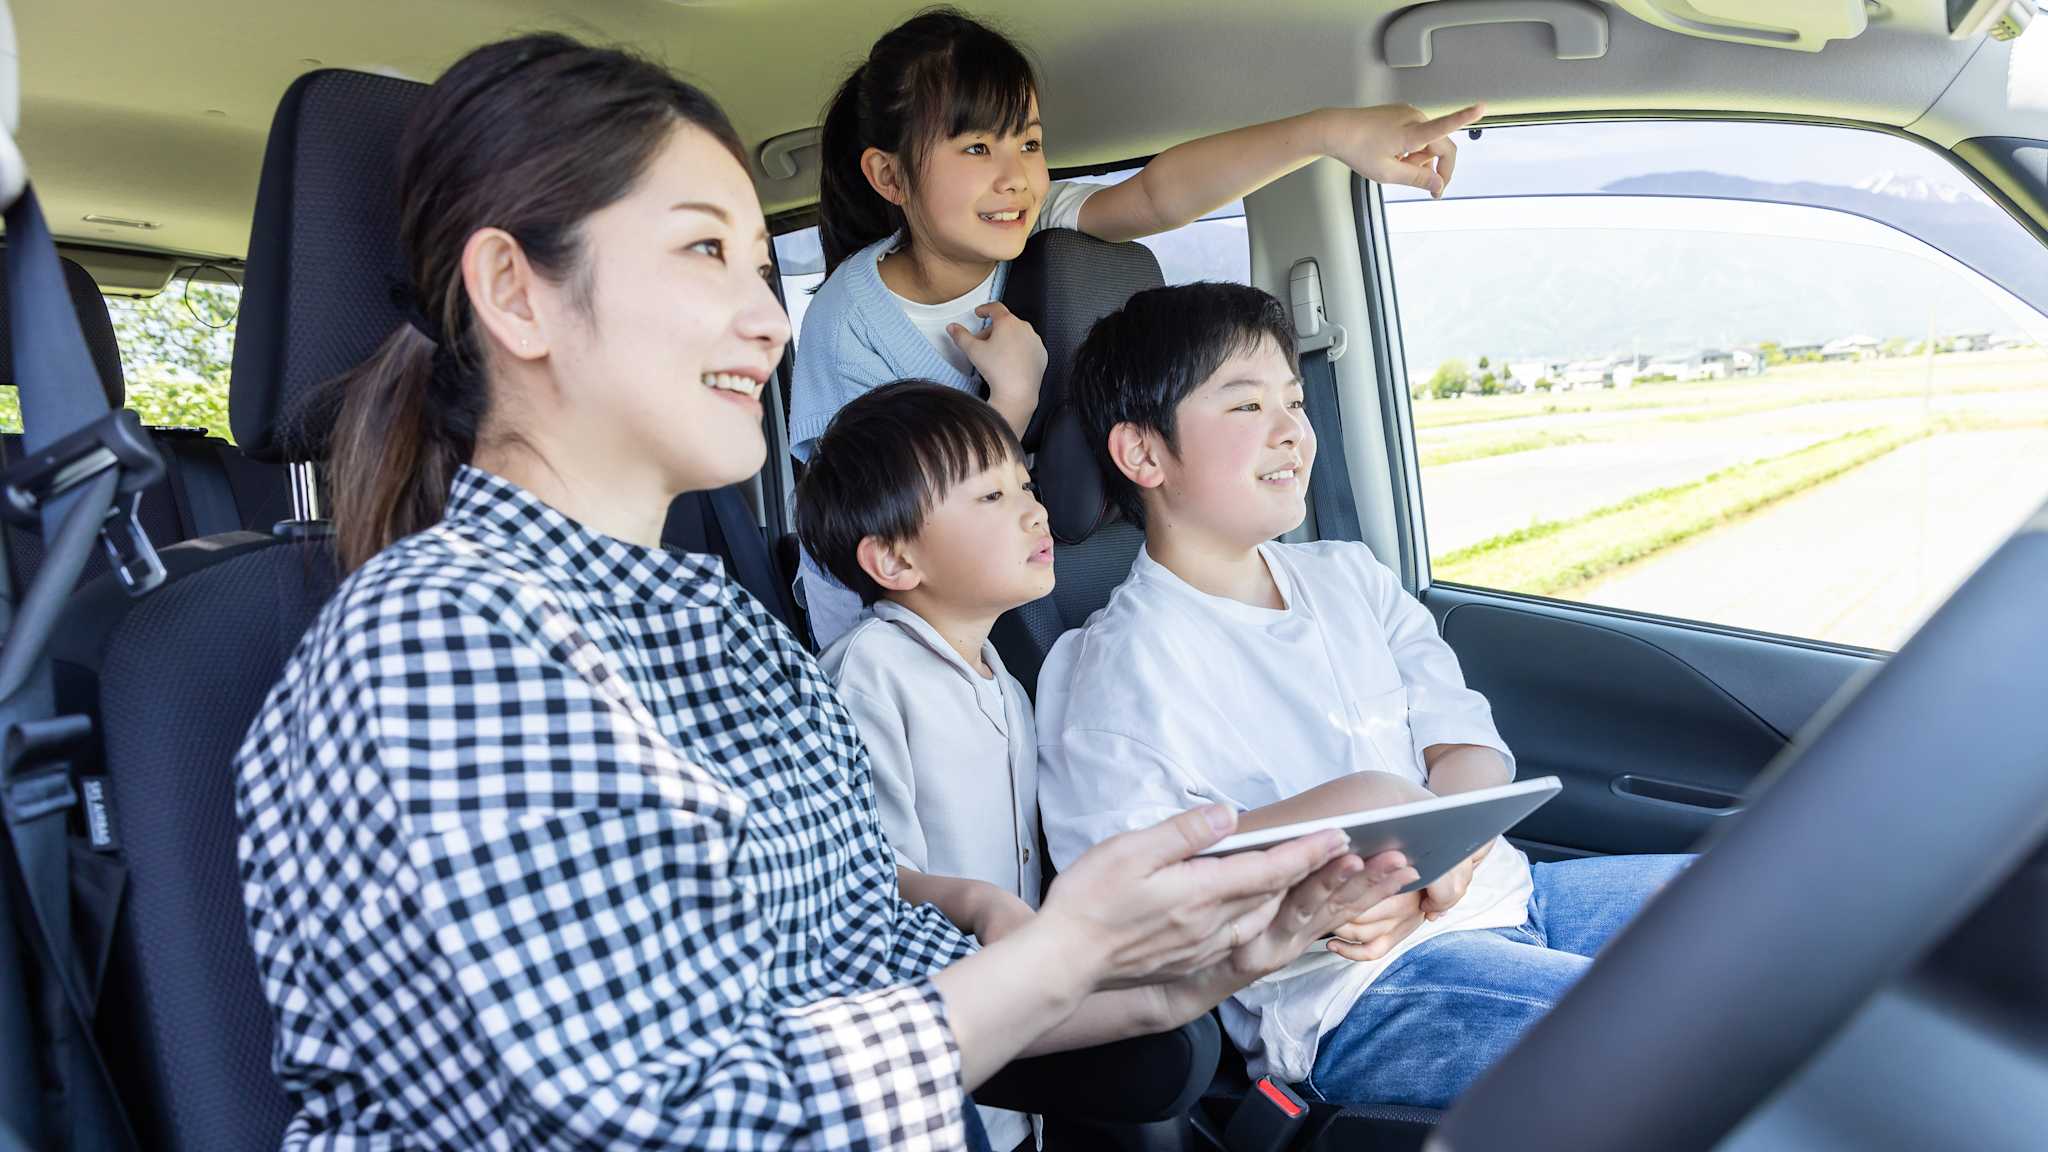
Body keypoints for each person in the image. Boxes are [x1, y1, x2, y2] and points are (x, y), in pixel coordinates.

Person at [235, 36, 1417, 1151]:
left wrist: (1196, 968)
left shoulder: (723, 630)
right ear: (516, 290)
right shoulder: (441, 636)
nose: (766, 319)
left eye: (763, 265)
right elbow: (661, 1120)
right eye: (706, 252)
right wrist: (1062, 955)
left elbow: (879, 966)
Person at [1037, 282, 1688, 1110]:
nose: (1292, 433)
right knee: (1691, 1038)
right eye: (1246, 406)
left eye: (1295, 401)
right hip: (1359, 988)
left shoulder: (1349, 575)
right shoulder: (1114, 669)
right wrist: (1395, 889)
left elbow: (1468, 746)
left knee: (1778, 912)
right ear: (1143, 455)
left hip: (1508, 893)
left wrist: (1430, 877)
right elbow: (1137, 909)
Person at [788, 6, 1483, 646]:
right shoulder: (850, 325)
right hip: (882, 630)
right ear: (888, 175)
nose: (1016, 179)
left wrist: (1331, 133)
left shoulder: (1041, 220)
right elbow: (885, 527)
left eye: (1028, 143)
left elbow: (1160, 192)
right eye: (975, 149)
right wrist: (1013, 403)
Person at [800, 380, 1055, 1148]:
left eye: (1026, 485)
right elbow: (866, 879)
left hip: (1015, 1051)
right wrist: (980, 904)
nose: (1034, 510)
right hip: (932, 1059)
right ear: (894, 559)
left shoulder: (1001, 677)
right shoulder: (868, 675)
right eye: (989, 497)